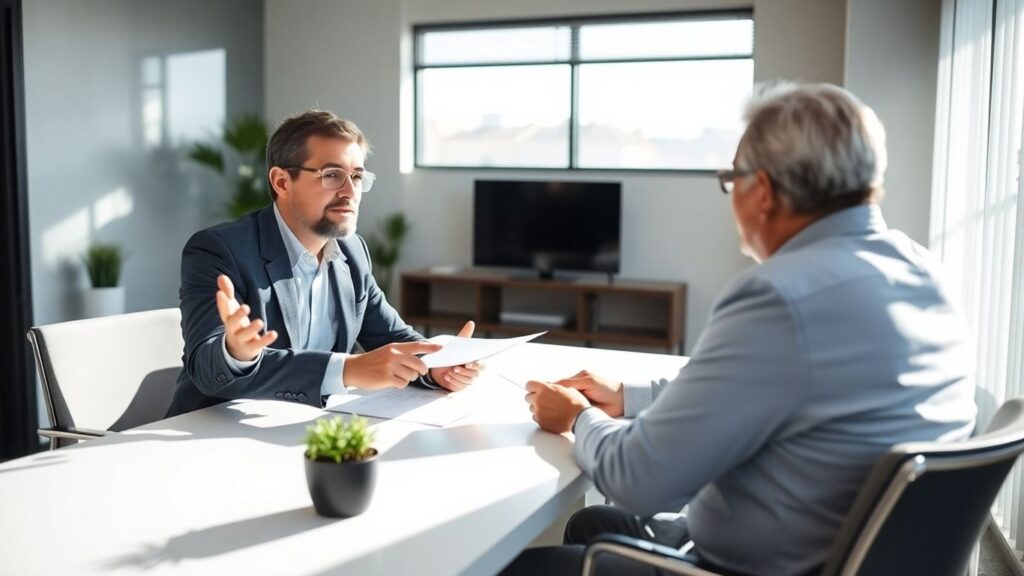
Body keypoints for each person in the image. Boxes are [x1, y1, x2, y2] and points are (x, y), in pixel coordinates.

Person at [508, 83, 977, 576]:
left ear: (766, 191)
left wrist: (579, 418)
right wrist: (630, 396)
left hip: (755, 568)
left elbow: (639, 480)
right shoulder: (925, 270)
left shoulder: (781, 296)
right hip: (856, 555)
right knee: (595, 524)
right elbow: (766, 389)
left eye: (732, 179)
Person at [167, 110, 480, 417]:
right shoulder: (220, 250)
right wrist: (235, 352)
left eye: (357, 176)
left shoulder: (352, 252)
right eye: (332, 175)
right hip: (211, 435)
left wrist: (439, 366)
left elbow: (392, 337)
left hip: (308, 428)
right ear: (281, 181)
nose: (349, 191)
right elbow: (206, 370)